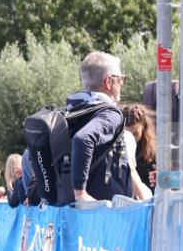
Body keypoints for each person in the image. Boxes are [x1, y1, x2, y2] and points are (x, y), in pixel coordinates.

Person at [66, 52, 133, 202]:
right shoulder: (110, 113)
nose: (121, 84)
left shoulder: (74, 110)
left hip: (73, 208)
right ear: (109, 81)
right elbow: (83, 139)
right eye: (120, 79)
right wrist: (80, 193)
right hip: (103, 210)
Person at [122, 103, 157, 197]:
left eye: (135, 134)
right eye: (127, 134)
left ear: (144, 128)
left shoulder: (155, 150)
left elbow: (172, 181)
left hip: (150, 200)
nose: (131, 139)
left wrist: (162, 178)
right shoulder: (116, 149)